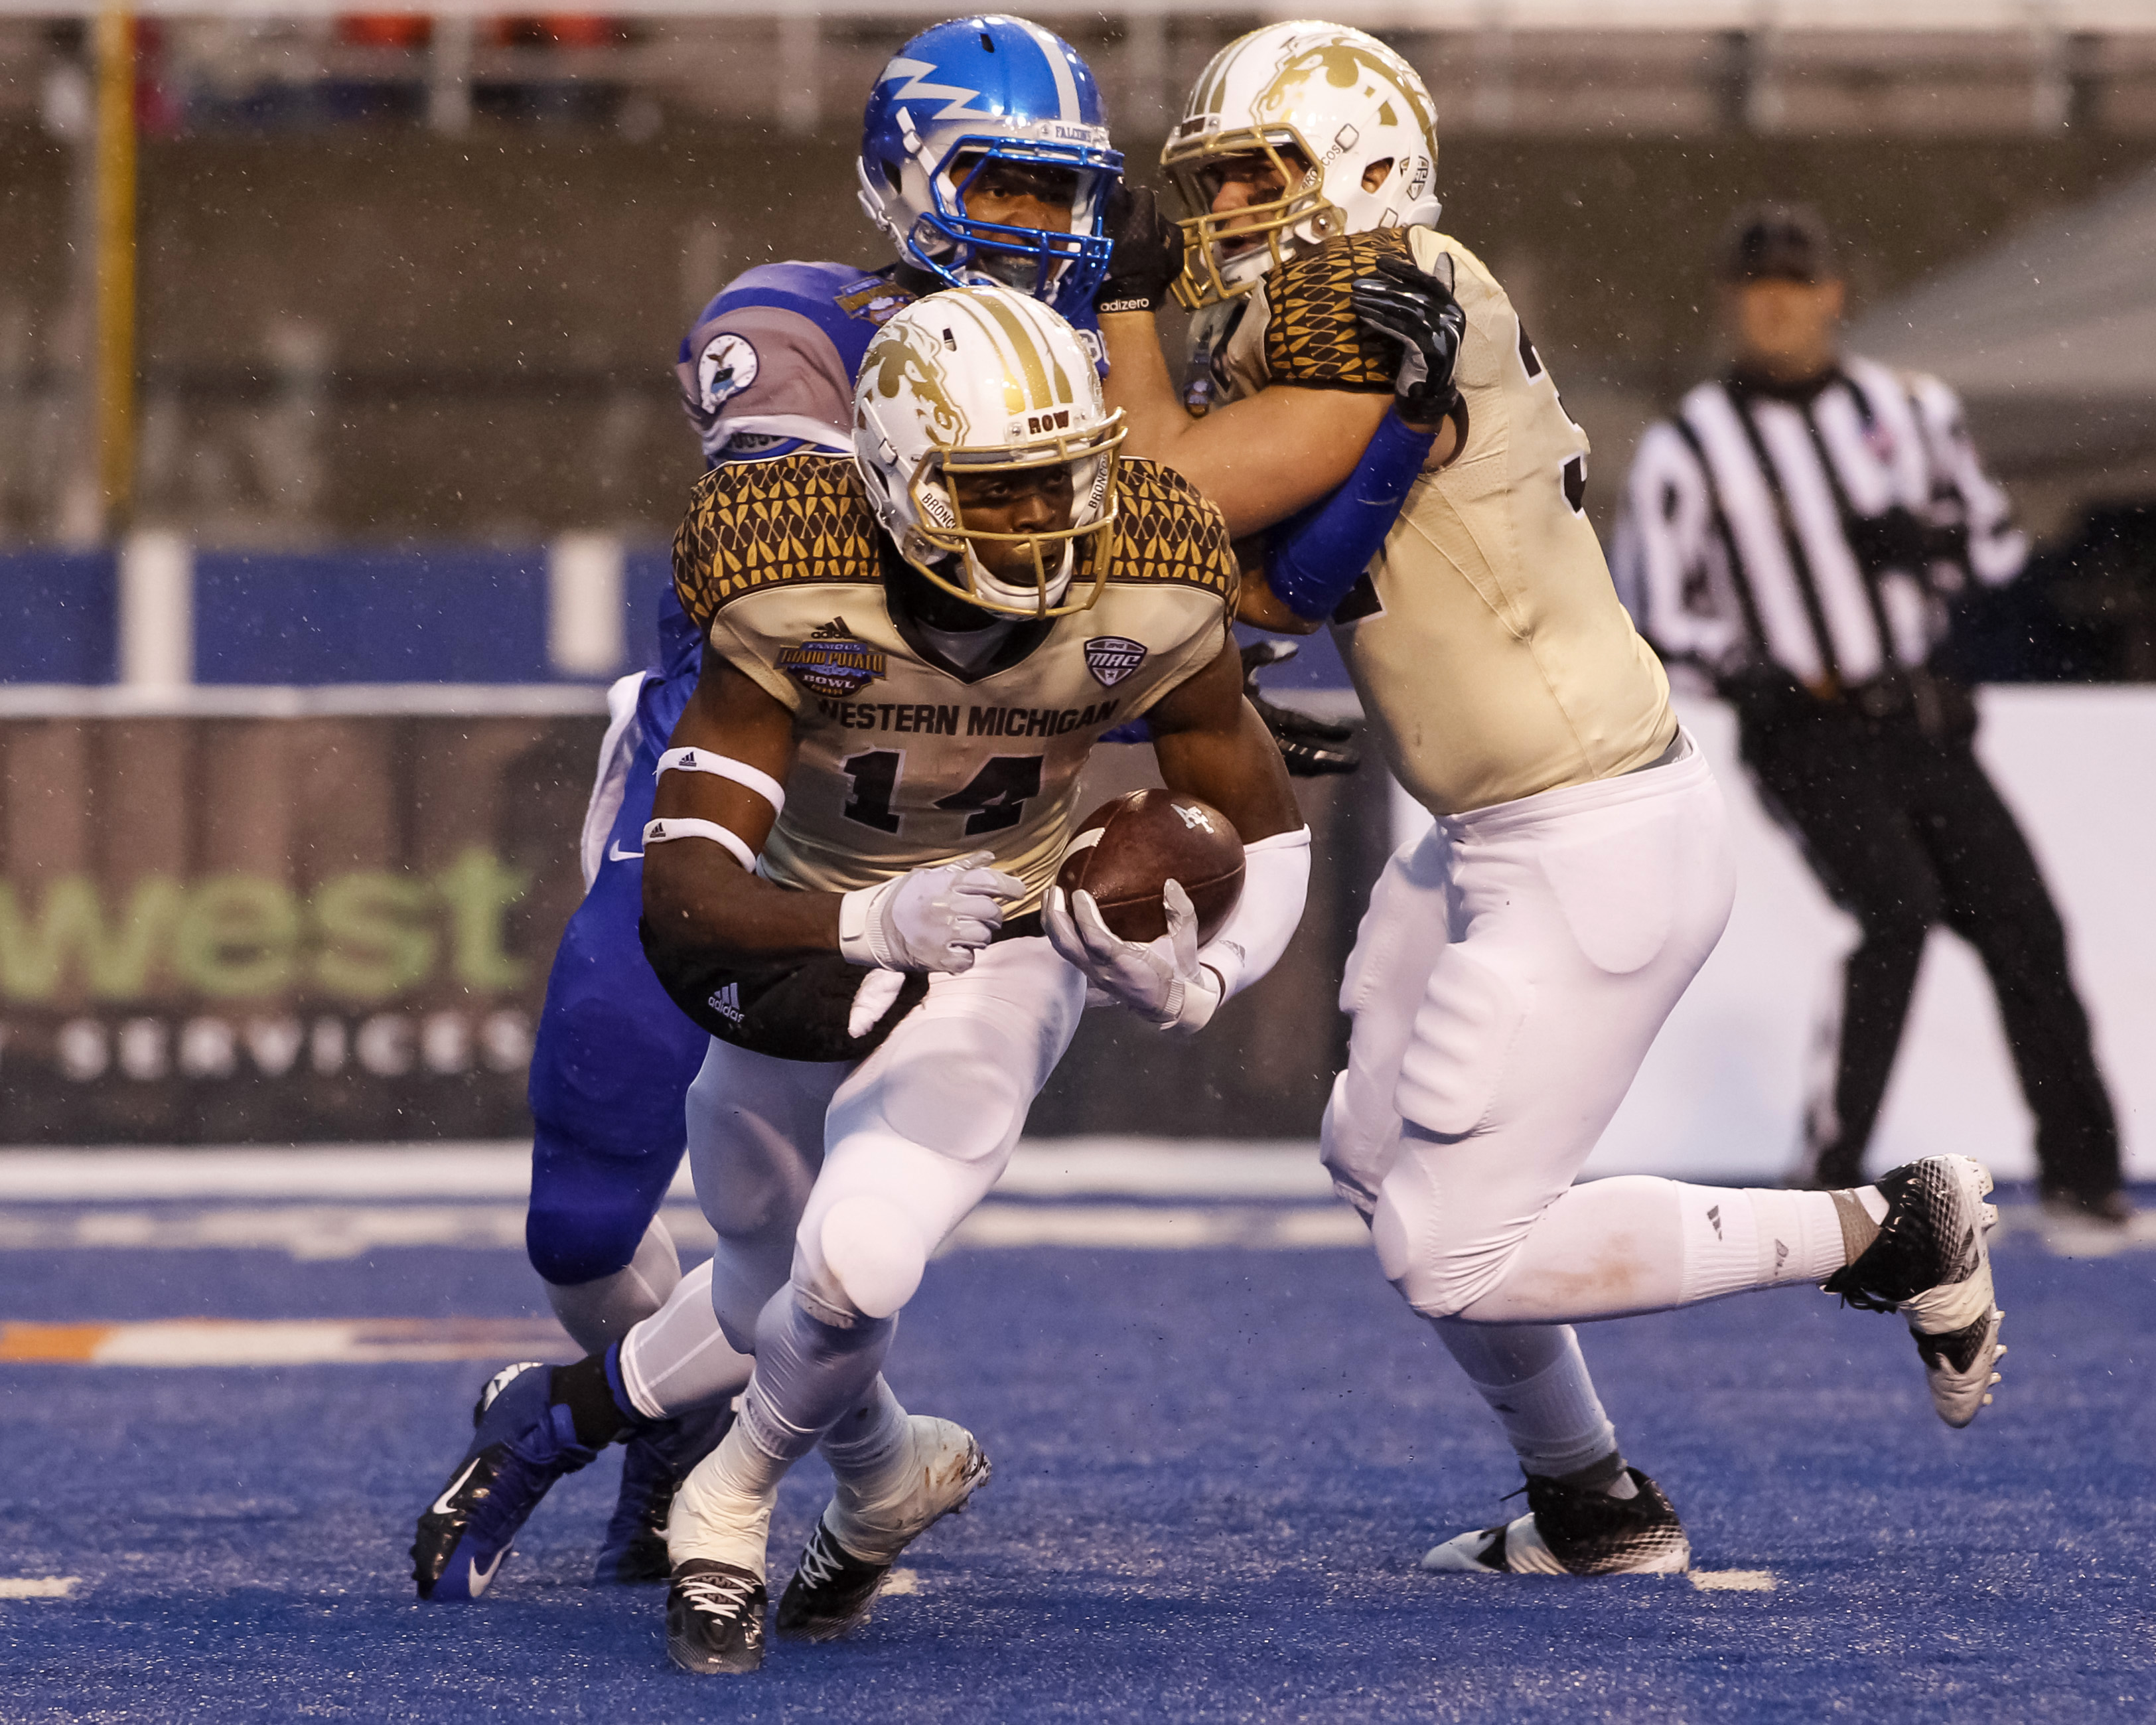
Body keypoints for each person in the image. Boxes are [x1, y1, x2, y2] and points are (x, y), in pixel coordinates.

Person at [1096, 21, 2009, 1577]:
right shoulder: (1313, 324)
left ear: (1361, 168)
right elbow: (1270, 576)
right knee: (1376, 1159)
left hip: (1591, 833)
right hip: (1490, 832)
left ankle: (1885, 1226)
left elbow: (1163, 496)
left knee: (1451, 1246)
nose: (1224, 212)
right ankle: (1589, 1500)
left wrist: (1113, 305)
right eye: (1214, 181)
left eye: (1255, 174)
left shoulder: (1399, 293)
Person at [418, 283, 1312, 1673]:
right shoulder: (790, 572)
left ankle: (726, 1510)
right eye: (1002, 494)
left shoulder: (1147, 565)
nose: (1050, 525)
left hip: (1005, 944)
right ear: (895, 483)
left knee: (857, 1260)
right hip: (804, 935)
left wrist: (1203, 980)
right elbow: (686, 890)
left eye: (1063, 483)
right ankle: (649, 1428)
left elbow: (1263, 829)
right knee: (767, 1287)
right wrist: (868, 922)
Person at [510, 14, 1137, 1590]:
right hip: (719, 797)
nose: (1036, 230)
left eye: (1066, 197)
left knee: (815, 1227)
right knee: (582, 1220)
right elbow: (806, 567)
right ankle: (676, 1426)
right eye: (997, 184)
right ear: (899, 181)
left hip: (942, 834)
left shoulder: (1105, 367)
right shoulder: (790, 321)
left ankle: (742, 1448)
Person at [1613, 203, 2128, 1227]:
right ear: (1731, 302)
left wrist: (1921, 541)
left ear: (1834, 297)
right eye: (1759, 289)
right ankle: (1828, 1178)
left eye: (1795, 287)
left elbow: (1993, 551)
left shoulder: (1910, 412)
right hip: (1805, 724)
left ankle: (2084, 1177)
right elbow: (1657, 612)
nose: (1777, 308)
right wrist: (1746, 672)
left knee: (2021, 923)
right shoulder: (1691, 447)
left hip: (1918, 716)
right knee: (1893, 912)